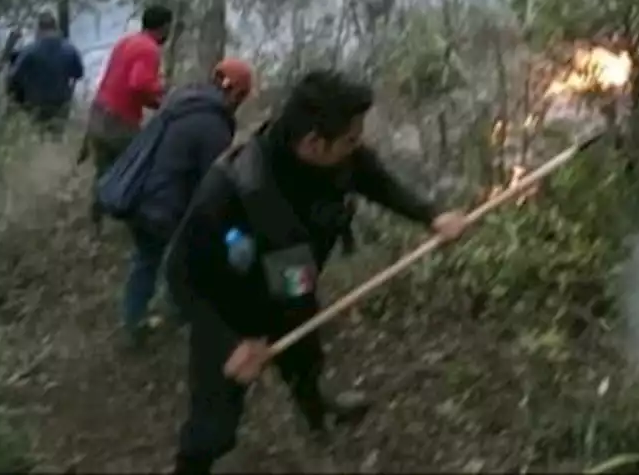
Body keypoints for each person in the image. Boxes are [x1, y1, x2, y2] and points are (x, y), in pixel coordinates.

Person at [165, 68, 470, 475]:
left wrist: (432, 216)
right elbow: (179, 275)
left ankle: (317, 412)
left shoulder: (341, 157)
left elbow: (377, 181)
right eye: (349, 139)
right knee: (214, 425)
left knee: (306, 361)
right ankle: (191, 465)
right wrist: (227, 343)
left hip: (292, 282)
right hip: (229, 309)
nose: (357, 145)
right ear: (312, 143)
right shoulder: (229, 190)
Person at [120, 57, 255, 349]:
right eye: (241, 97)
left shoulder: (182, 101)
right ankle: (180, 316)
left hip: (140, 196)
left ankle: (134, 325)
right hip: (165, 209)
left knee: (145, 261)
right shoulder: (213, 125)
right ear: (234, 93)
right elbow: (214, 183)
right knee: (189, 258)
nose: (240, 103)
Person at [85, 4, 173, 231]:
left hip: (98, 113)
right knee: (139, 167)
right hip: (119, 121)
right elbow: (139, 84)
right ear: (163, 27)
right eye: (168, 28)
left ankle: (96, 225)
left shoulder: (126, 41)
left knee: (104, 171)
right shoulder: (149, 50)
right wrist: (162, 99)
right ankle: (136, 222)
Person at [6, 11, 84, 134]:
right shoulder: (70, 49)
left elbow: (14, 77)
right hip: (61, 103)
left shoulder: (29, 51)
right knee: (57, 136)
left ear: (39, 29)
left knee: (39, 133)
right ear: (56, 28)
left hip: (36, 104)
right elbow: (79, 74)